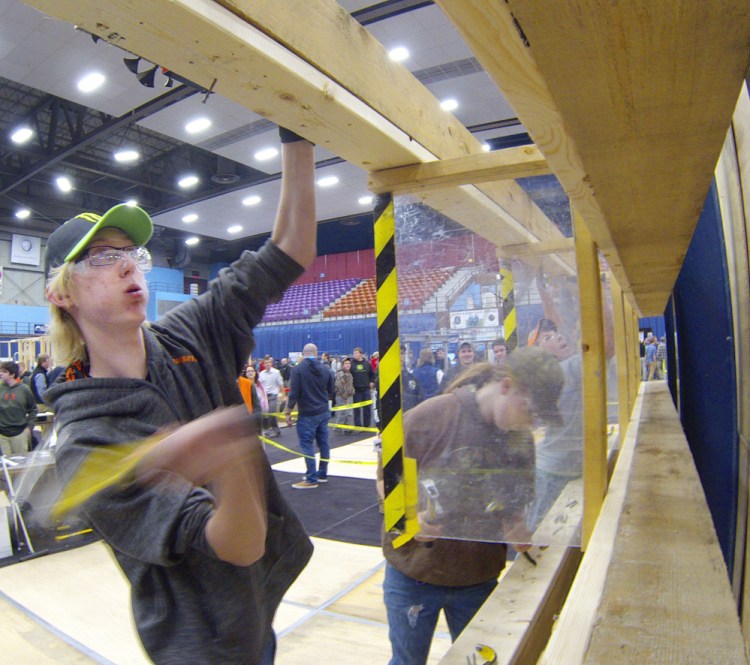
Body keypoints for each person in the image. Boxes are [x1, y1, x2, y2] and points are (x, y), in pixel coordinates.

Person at [43, 126, 316, 664]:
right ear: (61, 293)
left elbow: (291, 248)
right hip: (203, 647)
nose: (127, 265)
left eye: (131, 253)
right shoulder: (88, 441)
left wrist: (297, 133)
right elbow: (239, 545)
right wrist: (229, 451)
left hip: (259, 609)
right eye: (99, 257)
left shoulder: (188, 333)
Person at [382, 348, 564, 665]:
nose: (532, 423)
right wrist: (410, 519)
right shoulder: (432, 416)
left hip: (477, 578)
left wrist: (516, 526)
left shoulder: (519, 440)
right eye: (530, 411)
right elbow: (388, 479)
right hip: (414, 576)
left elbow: (514, 503)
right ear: (506, 386)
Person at [285, 343, 335, 488]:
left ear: (303, 353)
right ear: (316, 352)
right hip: (323, 411)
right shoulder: (326, 369)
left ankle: (311, 478)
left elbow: (293, 394)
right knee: (324, 443)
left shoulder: (298, 370)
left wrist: (288, 413)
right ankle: (322, 473)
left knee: (307, 445)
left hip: (307, 413)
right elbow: (331, 391)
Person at [0, 361, 38, 456]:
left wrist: (29, 427)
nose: (1, 373)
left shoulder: (24, 389)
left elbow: (33, 409)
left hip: (20, 433)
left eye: (4, 371)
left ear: (12, 374)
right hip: (2, 434)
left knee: (21, 465)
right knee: (5, 466)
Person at [350, 347, 376, 432]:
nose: (355, 355)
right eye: (354, 353)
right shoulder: (351, 364)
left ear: (361, 354)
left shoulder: (367, 364)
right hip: (356, 390)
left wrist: (372, 382)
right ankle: (358, 425)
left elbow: (372, 374)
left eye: (357, 353)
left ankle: (366, 424)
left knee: (367, 408)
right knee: (356, 409)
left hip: (366, 389)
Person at [259, 355, 285, 437]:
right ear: (263, 364)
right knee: (265, 414)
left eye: (269, 362)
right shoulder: (261, 374)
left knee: (271, 413)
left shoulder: (276, 372)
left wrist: (284, 396)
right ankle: (273, 430)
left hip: (273, 396)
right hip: (264, 397)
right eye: (266, 363)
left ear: (271, 363)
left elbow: (281, 385)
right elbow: (260, 386)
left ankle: (273, 429)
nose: (268, 364)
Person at [334, 357, 355, 434]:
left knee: (349, 413)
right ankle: (338, 428)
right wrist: (345, 396)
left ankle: (348, 428)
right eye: (346, 363)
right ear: (342, 364)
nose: (348, 365)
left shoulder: (348, 373)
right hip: (342, 396)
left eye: (349, 363)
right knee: (343, 413)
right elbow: (340, 386)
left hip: (349, 395)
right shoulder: (341, 373)